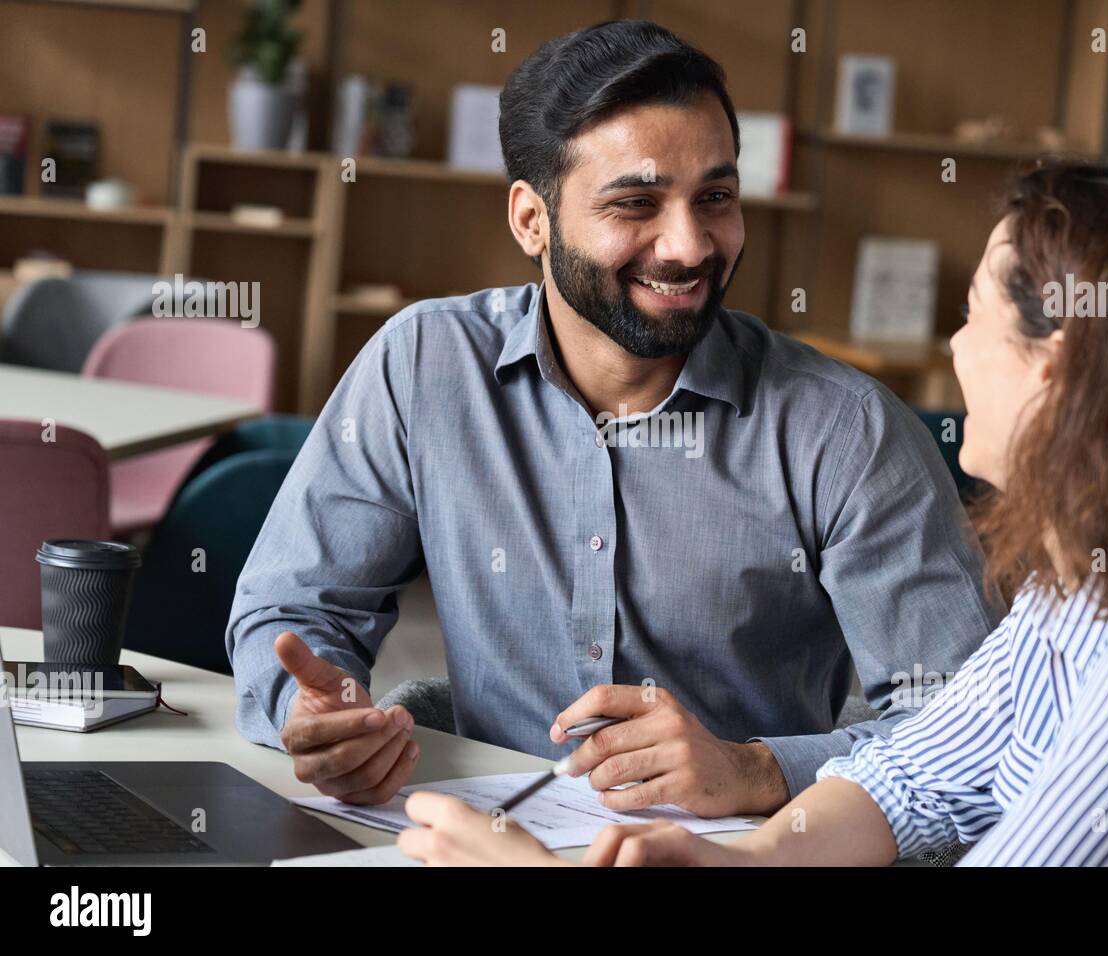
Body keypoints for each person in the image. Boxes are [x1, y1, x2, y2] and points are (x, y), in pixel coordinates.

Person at [396, 162, 1108, 866]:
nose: (954, 344)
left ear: (1055, 369)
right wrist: (741, 861)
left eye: (973, 313)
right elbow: (917, 778)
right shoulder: (1081, 591)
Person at [225, 19, 1001, 818]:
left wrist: (755, 770)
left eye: (716, 198)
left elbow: (974, 734)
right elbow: (294, 607)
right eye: (636, 202)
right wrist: (313, 710)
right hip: (476, 835)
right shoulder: (423, 365)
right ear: (532, 221)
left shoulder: (846, 431)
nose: (690, 245)